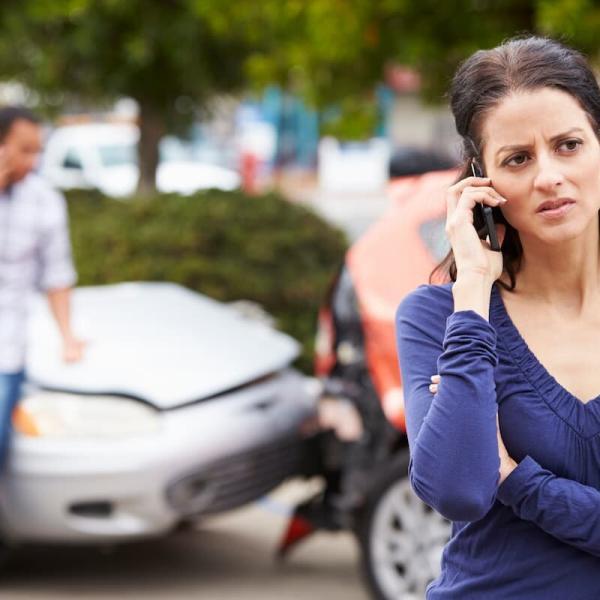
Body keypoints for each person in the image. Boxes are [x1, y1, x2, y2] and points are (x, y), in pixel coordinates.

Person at [395, 36, 600, 598]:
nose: (548, 176)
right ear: (482, 182)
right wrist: (475, 289)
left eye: (568, 145)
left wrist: (516, 480)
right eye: (518, 158)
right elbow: (457, 488)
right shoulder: (436, 316)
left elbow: (489, 483)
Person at [0, 106, 83, 464]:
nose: (32, 161)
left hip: (7, 348)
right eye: (24, 150)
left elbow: (57, 274)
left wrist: (68, 336)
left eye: (38, 151)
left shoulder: (44, 199)